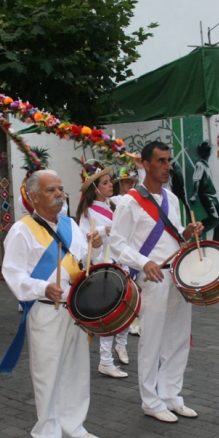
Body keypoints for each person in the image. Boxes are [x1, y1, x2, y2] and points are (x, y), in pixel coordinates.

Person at [0, 169, 104, 438]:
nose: (59, 194)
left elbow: (86, 264)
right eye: (51, 190)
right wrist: (43, 288)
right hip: (46, 311)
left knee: (76, 370)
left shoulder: (71, 225)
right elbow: (13, 274)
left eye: (60, 188)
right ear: (34, 196)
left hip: (76, 310)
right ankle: (47, 436)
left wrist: (97, 246)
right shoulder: (21, 230)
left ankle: (73, 427)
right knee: (47, 375)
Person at [110, 141, 204, 423]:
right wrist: (143, 262)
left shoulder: (171, 199)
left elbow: (173, 235)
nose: (167, 166)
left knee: (178, 338)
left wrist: (187, 232)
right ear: (146, 164)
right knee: (152, 340)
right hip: (152, 278)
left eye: (168, 161)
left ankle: (171, 396)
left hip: (178, 274)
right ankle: (151, 401)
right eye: (161, 161)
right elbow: (117, 243)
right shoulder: (129, 202)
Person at [75, 160, 130, 379]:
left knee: (126, 309)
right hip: (104, 267)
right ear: (95, 188)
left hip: (121, 262)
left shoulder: (114, 203)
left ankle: (121, 346)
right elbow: (83, 240)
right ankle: (105, 361)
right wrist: (103, 230)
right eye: (105, 183)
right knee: (109, 313)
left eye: (110, 182)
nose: (110, 185)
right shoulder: (87, 213)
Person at [110, 165, 140, 336]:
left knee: (134, 286)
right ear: (120, 183)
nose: (129, 183)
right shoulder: (115, 201)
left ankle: (133, 322)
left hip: (134, 244)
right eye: (126, 181)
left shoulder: (135, 200)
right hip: (119, 248)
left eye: (131, 181)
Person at [189, 141, 219, 242]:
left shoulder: (206, 165)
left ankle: (217, 242)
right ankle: (198, 231)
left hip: (213, 195)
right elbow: (196, 180)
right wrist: (194, 195)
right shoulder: (200, 164)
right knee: (215, 219)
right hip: (206, 195)